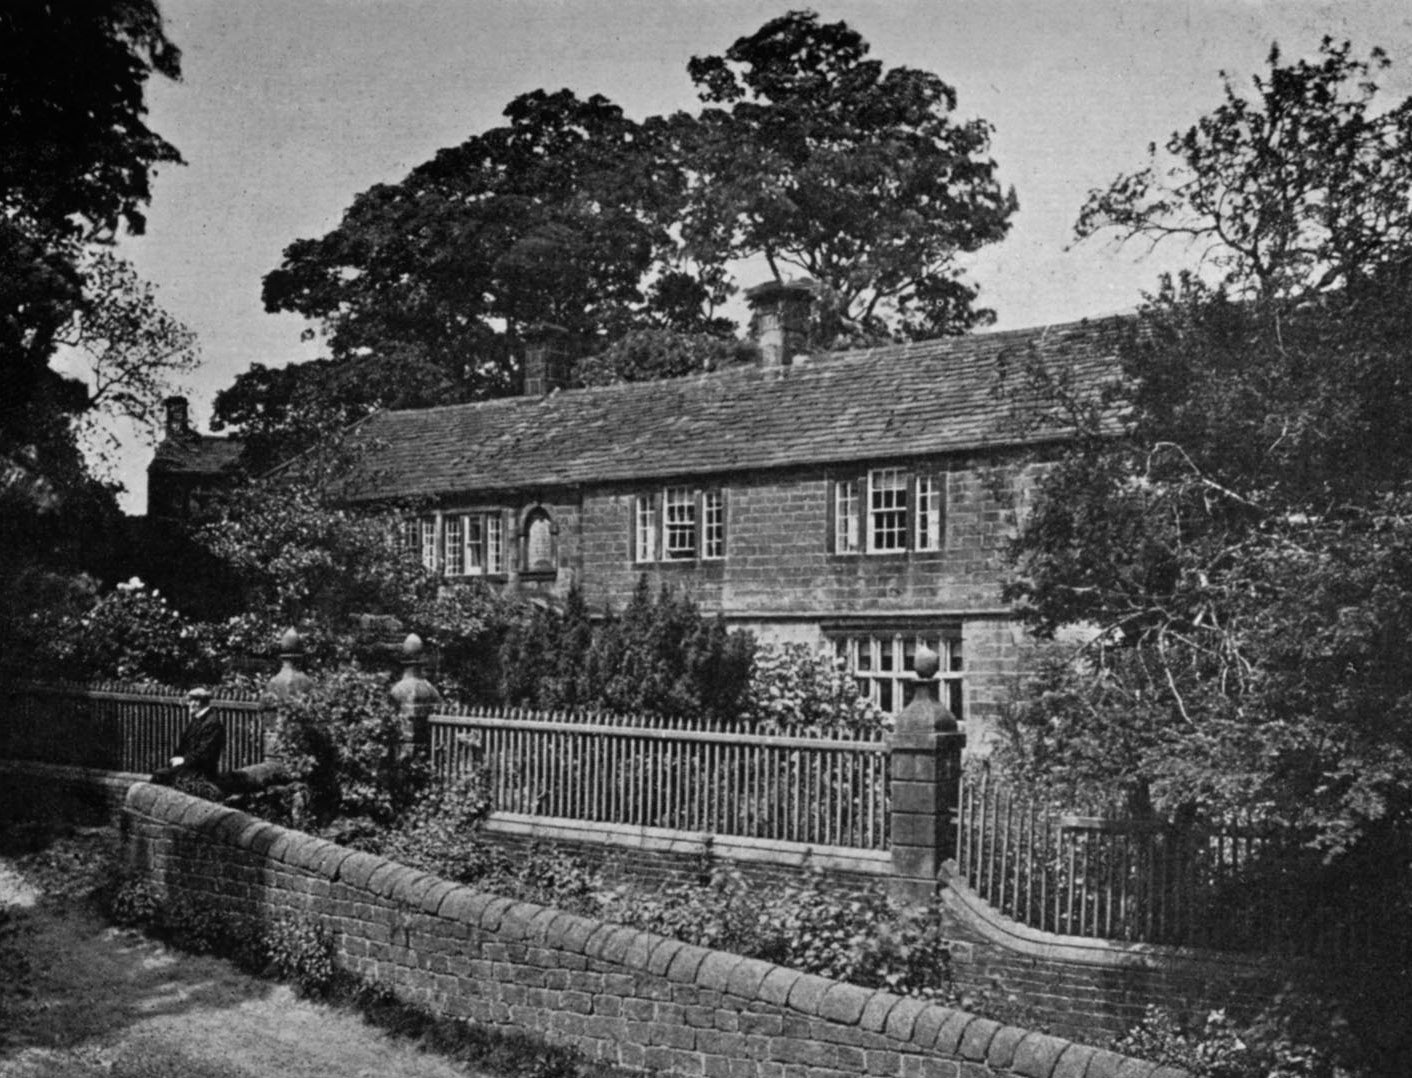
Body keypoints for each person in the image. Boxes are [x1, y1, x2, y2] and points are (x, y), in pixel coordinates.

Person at [150, 687, 226, 796]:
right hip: (191, 767)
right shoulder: (198, 719)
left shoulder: (212, 723)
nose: (188, 704)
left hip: (201, 772)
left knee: (160, 776)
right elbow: (184, 745)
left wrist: (184, 760)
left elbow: (204, 753)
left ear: (198, 702)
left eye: (190, 701)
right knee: (161, 774)